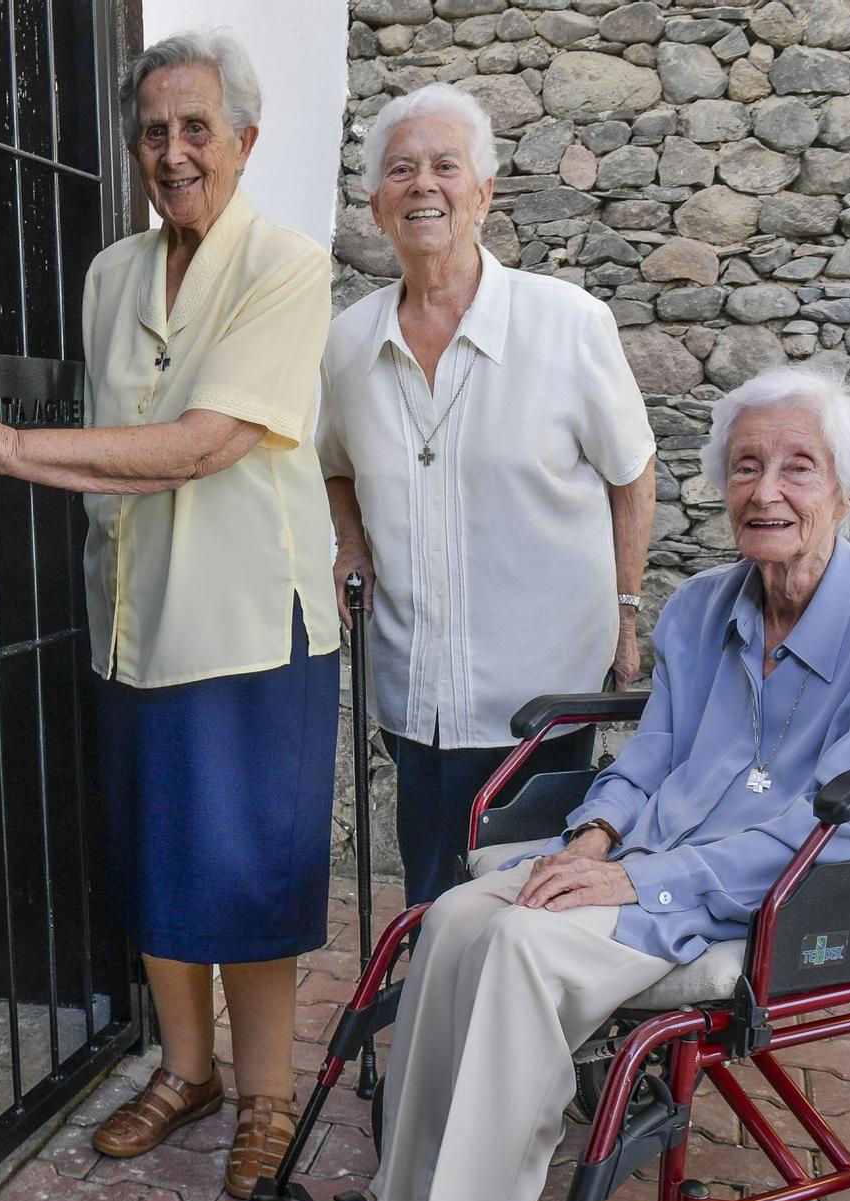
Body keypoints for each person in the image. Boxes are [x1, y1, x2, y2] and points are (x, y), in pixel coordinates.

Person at [248, 366, 850, 1201]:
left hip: (784, 893)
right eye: (746, 467)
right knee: (458, 916)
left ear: (847, 488)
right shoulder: (704, 606)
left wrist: (634, 877)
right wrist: (591, 834)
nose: (767, 492)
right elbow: (658, 751)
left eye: (800, 468)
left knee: (523, 949)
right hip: (650, 859)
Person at [0, 28, 336, 1199]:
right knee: (156, 855)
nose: (173, 151)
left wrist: (1, 445)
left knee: (247, 870)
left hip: (247, 622)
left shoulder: (285, 267)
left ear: (244, 141)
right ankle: (184, 1071)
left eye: (196, 127)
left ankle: (267, 1097)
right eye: (153, 131)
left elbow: (206, 441)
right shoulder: (110, 274)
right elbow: (116, 445)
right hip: (131, 617)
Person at [317, 84, 658, 909]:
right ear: (375, 205)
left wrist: (625, 609)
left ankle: (511, 1035)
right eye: (401, 170)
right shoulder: (349, 341)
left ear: (484, 194)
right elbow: (335, 463)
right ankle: (437, 1027)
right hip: (413, 685)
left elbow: (631, 472)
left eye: (444, 166)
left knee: (529, 899)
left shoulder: (567, 322)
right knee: (431, 894)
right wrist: (352, 546)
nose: (422, 185)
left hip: (541, 689)